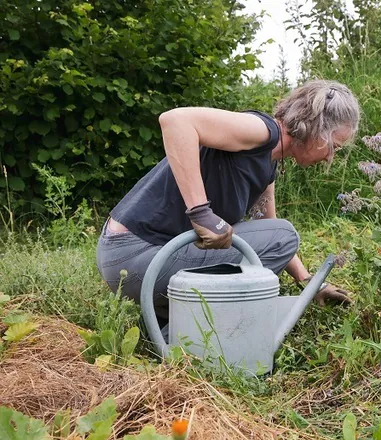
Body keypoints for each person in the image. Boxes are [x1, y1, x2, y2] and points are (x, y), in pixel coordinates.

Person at [96, 80, 360, 324]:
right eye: (334, 146)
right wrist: (201, 212)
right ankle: (199, 330)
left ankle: (173, 325)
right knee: (284, 235)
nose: (330, 158)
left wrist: (308, 281)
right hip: (133, 255)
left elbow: (267, 226)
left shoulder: (269, 163)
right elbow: (175, 121)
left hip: (149, 258)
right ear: (317, 128)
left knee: (279, 233)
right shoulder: (262, 131)